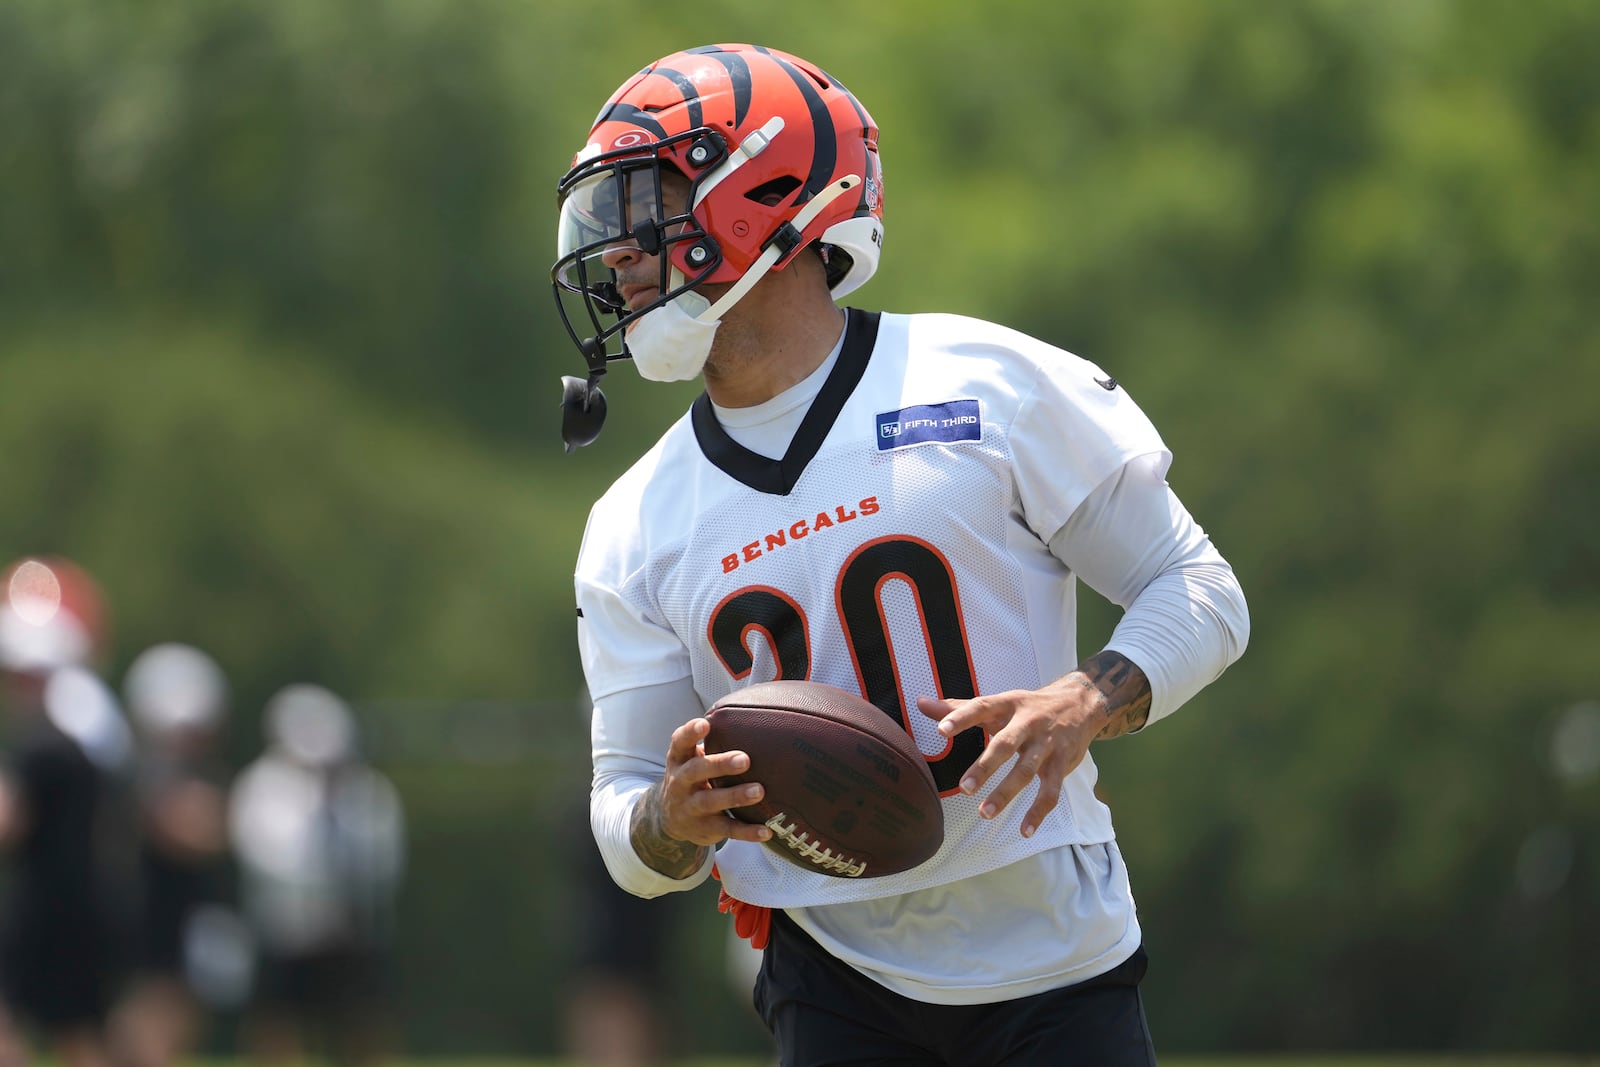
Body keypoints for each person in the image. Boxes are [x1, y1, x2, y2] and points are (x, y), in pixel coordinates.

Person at [552, 44, 1251, 1066]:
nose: (616, 250)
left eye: (645, 203)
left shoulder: (988, 382)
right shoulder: (632, 520)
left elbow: (1200, 588)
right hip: (831, 974)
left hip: (1055, 951)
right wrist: (670, 815)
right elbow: (623, 808)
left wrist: (1084, 700)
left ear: (763, 190)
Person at [0, 557, 138, 1067]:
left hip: (46, 909)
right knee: (79, 1036)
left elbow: (8, 822)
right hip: (88, 903)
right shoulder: (89, 733)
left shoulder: (42, 744)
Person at [228, 684, 404, 1067]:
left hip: (352, 934)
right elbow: (265, 856)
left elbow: (384, 862)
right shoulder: (262, 787)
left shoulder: (369, 791)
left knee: (362, 1021)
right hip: (285, 932)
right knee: (278, 1023)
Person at [110, 642, 238, 1067]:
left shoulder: (191, 774)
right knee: (146, 1027)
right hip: (150, 925)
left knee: (172, 1025)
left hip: (183, 925)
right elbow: (186, 830)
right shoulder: (141, 774)